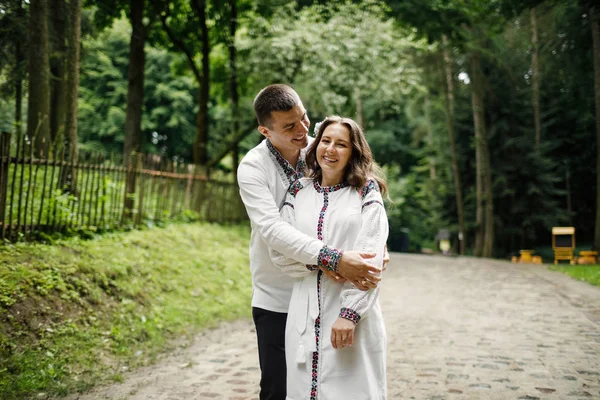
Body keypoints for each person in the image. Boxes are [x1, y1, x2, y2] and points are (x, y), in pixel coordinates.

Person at [237, 84, 382, 400]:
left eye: (303, 118)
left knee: (337, 385)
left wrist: (374, 249)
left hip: (330, 295)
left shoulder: (319, 150)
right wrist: (332, 258)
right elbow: (272, 231)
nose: (304, 131)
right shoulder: (252, 168)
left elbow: (358, 205)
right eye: (289, 126)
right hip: (277, 295)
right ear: (265, 131)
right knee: (279, 387)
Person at [270, 116, 389, 400]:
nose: (331, 150)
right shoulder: (298, 190)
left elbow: (372, 259)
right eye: (325, 141)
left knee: (354, 390)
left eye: (341, 144)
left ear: (353, 152)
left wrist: (350, 315)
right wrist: (322, 260)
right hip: (303, 309)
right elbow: (279, 252)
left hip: (353, 315)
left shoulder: (365, 192)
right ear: (316, 145)